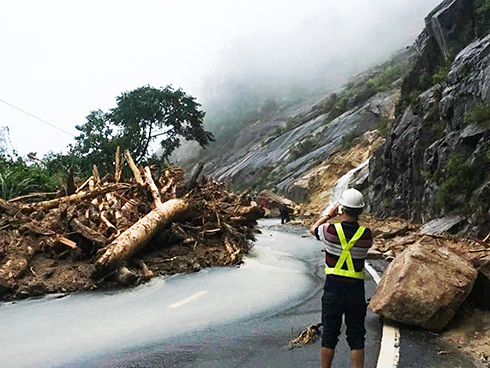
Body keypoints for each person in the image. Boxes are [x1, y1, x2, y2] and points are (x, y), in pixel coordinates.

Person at [309, 188, 373, 368]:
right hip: (356, 292)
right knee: (357, 336)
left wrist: (328, 215)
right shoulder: (366, 236)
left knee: (329, 335)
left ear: (341, 209)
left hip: (333, 291)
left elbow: (313, 228)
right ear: (360, 211)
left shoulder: (329, 231)